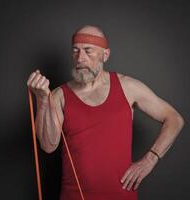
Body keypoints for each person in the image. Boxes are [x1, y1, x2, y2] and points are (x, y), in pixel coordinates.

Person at [27, 25, 184, 200]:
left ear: (105, 55)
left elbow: (174, 119)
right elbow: (48, 146)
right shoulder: (58, 95)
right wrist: (42, 101)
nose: (80, 58)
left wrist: (150, 159)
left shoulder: (128, 86)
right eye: (75, 51)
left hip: (121, 195)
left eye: (88, 51)